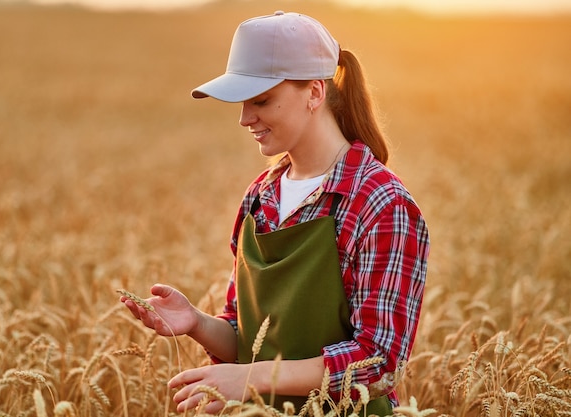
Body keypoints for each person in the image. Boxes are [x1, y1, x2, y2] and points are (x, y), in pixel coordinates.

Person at [120, 11, 429, 416]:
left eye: (261, 100)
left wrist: (252, 379)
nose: (245, 118)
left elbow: (379, 363)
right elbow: (249, 340)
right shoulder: (259, 198)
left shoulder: (380, 203)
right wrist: (196, 323)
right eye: (242, 102)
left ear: (315, 93)